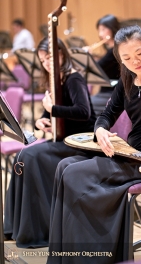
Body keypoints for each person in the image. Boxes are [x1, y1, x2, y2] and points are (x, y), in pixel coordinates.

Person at [47, 25, 141, 264]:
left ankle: (90, 256)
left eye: (139, 53)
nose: (135, 61)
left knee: (74, 174)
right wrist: (101, 129)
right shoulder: (128, 77)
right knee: (64, 166)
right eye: (126, 58)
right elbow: (107, 114)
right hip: (127, 155)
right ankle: (64, 255)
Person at [3, 37, 96, 248]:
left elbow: (84, 112)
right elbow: (48, 112)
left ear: (62, 53)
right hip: (64, 140)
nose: (46, 63)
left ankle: (37, 231)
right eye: (43, 60)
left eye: (50, 58)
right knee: (22, 156)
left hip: (82, 143)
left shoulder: (74, 79)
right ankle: (14, 227)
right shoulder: (56, 80)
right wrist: (41, 119)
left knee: (29, 156)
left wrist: (52, 110)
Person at [89, 14, 120, 117]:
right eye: (99, 30)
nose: (100, 33)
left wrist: (88, 56)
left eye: (103, 29)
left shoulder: (115, 51)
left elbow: (97, 68)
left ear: (112, 29)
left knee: (84, 106)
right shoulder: (111, 50)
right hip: (105, 92)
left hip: (112, 94)